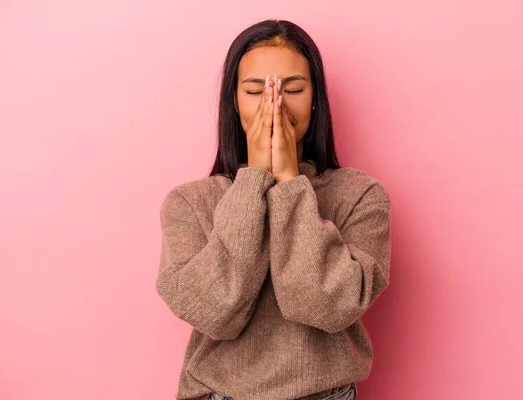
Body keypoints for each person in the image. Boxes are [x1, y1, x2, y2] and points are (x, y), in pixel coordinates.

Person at [155, 19, 392, 400]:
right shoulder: (189, 203)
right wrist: (254, 180)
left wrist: (288, 182)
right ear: (233, 101)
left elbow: (324, 306)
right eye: (254, 90)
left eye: (293, 88)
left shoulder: (361, 195)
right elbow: (213, 309)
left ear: (315, 98)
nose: (274, 102)